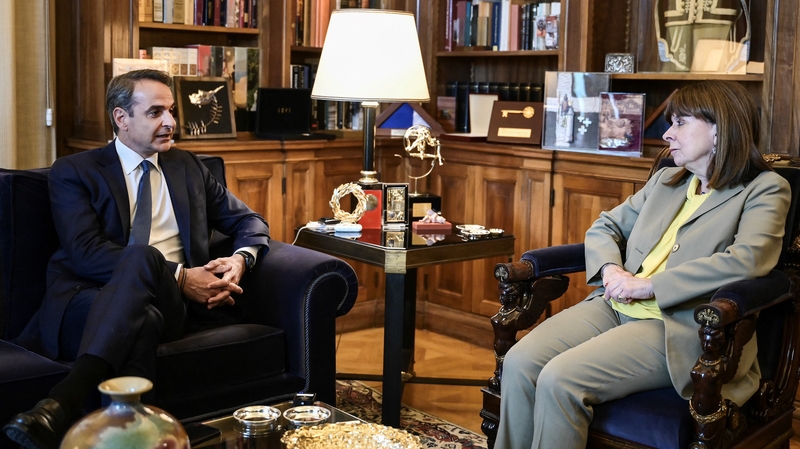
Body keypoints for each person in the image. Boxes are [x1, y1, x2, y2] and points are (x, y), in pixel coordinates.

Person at [495, 79, 791, 448]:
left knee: (560, 378)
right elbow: (604, 226)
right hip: (614, 305)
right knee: (520, 361)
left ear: (719, 129)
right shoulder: (667, 180)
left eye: (680, 123)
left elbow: (749, 260)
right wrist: (611, 270)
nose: (668, 134)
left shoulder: (765, 189)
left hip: (677, 326)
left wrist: (650, 285)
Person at [3, 69, 270, 449]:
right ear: (121, 117)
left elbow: (248, 220)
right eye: (156, 112)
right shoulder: (75, 171)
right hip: (87, 298)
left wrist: (241, 259)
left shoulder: (188, 167)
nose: (171, 122)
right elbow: (85, 252)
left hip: (171, 303)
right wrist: (181, 275)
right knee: (143, 315)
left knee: (145, 267)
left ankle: (61, 402)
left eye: (172, 111)